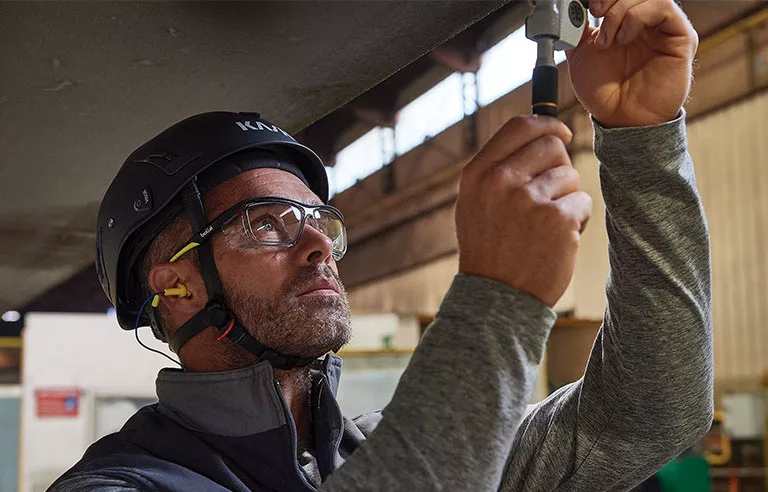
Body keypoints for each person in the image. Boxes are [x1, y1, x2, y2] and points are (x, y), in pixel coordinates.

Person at [50, 0, 713, 490]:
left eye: (319, 218)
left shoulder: (393, 453)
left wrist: (643, 139)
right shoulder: (119, 485)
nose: (318, 243)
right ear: (176, 285)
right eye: (267, 222)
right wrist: (497, 301)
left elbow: (649, 417)